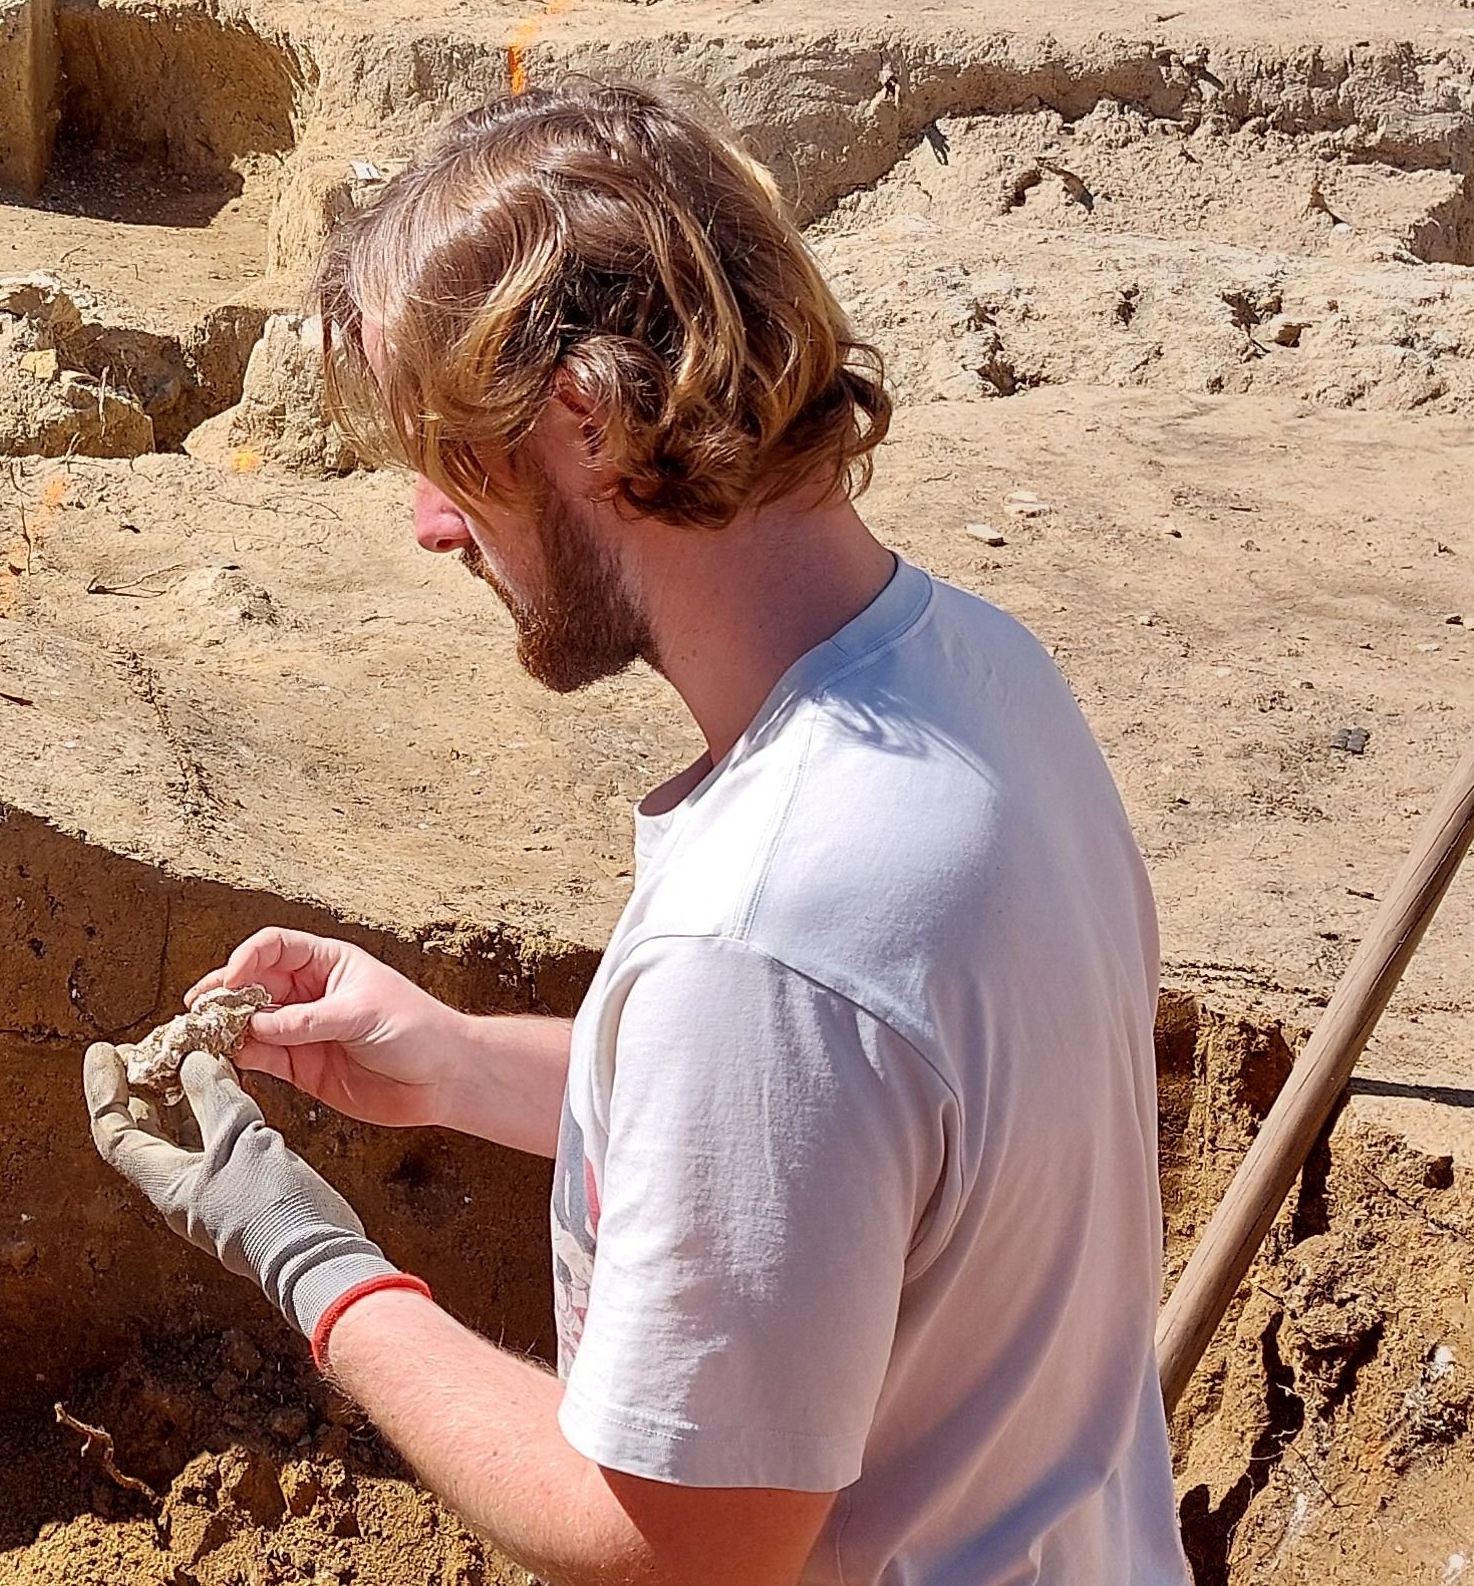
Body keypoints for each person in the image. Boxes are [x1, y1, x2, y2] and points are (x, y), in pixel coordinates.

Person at [83, 85, 1187, 1586]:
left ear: (583, 424)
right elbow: (827, 1151)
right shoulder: (980, 677)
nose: (427, 524)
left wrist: (317, 1264)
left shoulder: (770, 931)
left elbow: (669, 1543)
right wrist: (457, 1060)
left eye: (450, 456)